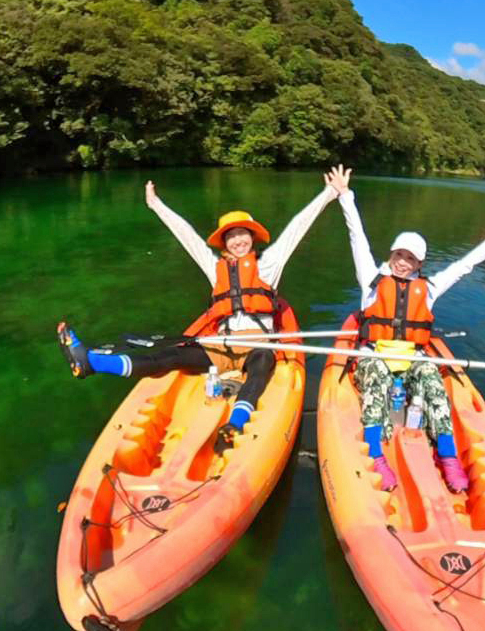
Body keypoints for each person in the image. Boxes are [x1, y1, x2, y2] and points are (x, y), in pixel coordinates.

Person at [58, 170, 348, 453]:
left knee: (260, 369)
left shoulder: (269, 264)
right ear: (224, 243)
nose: (238, 241)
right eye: (231, 236)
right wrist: (156, 204)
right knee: (168, 357)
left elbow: (296, 229)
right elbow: (187, 236)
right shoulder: (215, 268)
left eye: (242, 234)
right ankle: (92, 362)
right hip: (222, 345)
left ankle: (235, 423)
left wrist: (329, 194)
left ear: (252, 237)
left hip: (259, 345)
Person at [327, 167, 485, 493]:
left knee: (433, 383)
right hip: (374, 355)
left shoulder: (428, 288)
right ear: (392, 255)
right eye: (399, 255)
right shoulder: (371, 278)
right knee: (376, 382)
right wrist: (345, 196)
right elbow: (357, 235)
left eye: (410, 259)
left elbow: (463, 266)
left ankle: (448, 456)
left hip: (412, 357)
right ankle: (375, 453)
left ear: (419, 264)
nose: (402, 262)